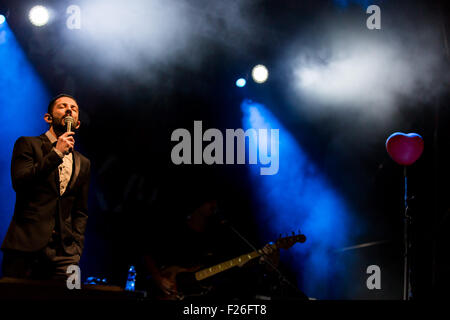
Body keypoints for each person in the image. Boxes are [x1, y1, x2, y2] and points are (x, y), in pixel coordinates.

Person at [1, 94, 91, 281]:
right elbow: (20, 182)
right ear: (48, 117)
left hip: (64, 254)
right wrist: (56, 153)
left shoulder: (83, 162)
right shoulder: (27, 144)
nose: (69, 110)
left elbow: (80, 210)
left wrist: (76, 249)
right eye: (62, 106)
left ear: (78, 123)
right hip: (25, 246)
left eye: (73, 109)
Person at [142, 198, 280, 300]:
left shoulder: (217, 233)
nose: (214, 205)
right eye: (209, 201)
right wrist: (159, 279)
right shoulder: (175, 229)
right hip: (167, 292)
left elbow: (234, 262)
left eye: (215, 201)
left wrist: (262, 258)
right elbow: (146, 253)